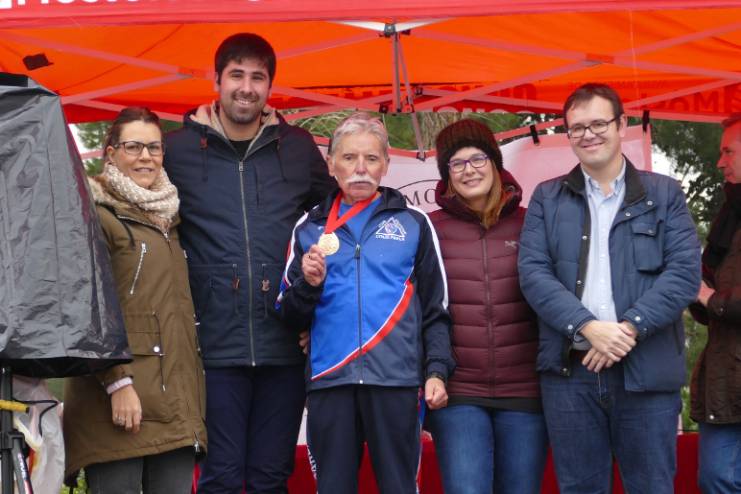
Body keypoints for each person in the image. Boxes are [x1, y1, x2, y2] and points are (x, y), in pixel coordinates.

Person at [163, 33, 335, 493]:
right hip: (212, 343)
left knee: (270, 477)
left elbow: (334, 224)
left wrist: (314, 312)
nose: (246, 87)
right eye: (236, 75)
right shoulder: (176, 150)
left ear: (269, 86)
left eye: (258, 77)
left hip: (285, 341)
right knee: (219, 477)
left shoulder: (297, 147)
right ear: (216, 80)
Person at [518, 83, 701, 493]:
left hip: (647, 372)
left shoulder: (664, 193)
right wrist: (587, 327)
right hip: (571, 373)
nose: (588, 135)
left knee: (651, 486)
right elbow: (533, 274)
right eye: (577, 128)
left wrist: (628, 328)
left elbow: (684, 273)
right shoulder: (547, 198)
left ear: (621, 125)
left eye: (598, 124)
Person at [277, 112, 455, 493]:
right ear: (331, 164)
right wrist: (308, 285)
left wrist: (436, 371)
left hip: (396, 382)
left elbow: (436, 310)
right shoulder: (308, 228)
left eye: (371, 158)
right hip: (331, 381)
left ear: (386, 164)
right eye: (349, 157)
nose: (360, 167)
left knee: (400, 487)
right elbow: (288, 315)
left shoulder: (414, 223)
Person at [64, 107, 206, 494]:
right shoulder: (95, 214)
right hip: (118, 403)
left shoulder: (171, 219)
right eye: (133, 147)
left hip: (175, 405)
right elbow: (85, 307)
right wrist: (117, 383)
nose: (146, 157)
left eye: (154, 147)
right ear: (110, 153)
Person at [426, 119, 547, 494]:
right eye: (457, 163)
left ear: (495, 163)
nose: (469, 170)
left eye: (477, 159)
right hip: (458, 392)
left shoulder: (531, 223)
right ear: (447, 173)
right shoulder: (429, 229)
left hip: (525, 391)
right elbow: (414, 307)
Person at [690, 113, 741, 493]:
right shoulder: (730, 214)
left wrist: (709, 298)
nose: (720, 162)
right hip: (724, 375)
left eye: (729, 152)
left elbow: (711, 296)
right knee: (716, 479)